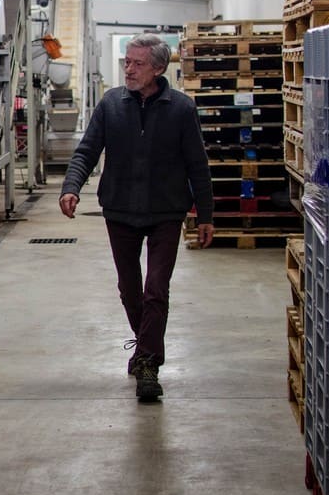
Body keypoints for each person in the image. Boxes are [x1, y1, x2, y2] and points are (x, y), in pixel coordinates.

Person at [59, 33, 215, 402]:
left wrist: (205, 214)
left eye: (137, 63)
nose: (128, 69)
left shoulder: (181, 109)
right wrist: (71, 187)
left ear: (158, 69)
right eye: (127, 62)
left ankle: (147, 362)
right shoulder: (111, 104)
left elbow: (197, 164)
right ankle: (145, 345)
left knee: (156, 289)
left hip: (166, 211)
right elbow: (87, 151)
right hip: (120, 210)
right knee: (129, 290)